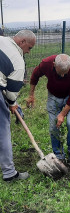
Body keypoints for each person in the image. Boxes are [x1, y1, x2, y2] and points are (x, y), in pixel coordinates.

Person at [26, 54, 70, 163]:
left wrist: (62, 114)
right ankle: (59, 155)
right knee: (54, 126)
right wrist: (31, 94)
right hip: (54, 97)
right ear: (54, 65)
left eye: (65, 73)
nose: (62, 75)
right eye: (60, 72)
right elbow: (35, 76)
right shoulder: (46, 63)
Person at [0, 30, 36, 182]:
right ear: (21, 42)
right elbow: (11, 94)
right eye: (29, 48)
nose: (28, 52)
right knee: (3, 132)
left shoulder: (1, 40)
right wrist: (13, 105)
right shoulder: (18, 62)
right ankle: (9, 173)